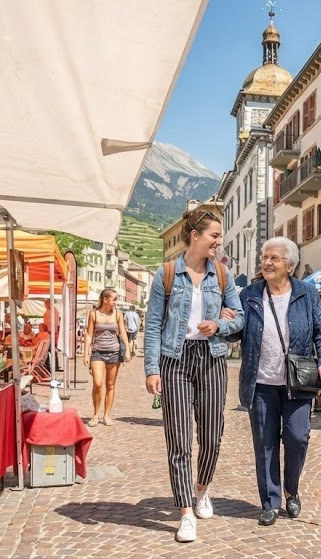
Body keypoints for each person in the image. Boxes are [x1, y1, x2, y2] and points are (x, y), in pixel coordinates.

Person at [143, 209, 244, 544]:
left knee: (212, 437)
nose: (219, 241)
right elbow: (153, 325)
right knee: (179, 440)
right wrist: (151, 368)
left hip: (212, 357)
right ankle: (185, 511)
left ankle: (202, 489)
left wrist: (220, 324)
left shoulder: (223, 274)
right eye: (214, 235)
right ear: (195, 236)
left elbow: (239, 317)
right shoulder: (167, 273)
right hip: (176, 359)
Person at [229, 237, 321, 527]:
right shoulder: (249, 294)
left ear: (290, 264)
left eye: (273, 258)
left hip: (297, 382)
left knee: (297, 438)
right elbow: (235, 332)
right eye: (264, 257)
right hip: (260, 382)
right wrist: (225, 323)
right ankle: (271, 502)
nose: (266, 262)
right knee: (264, 443)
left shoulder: (306, 294)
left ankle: (292, 490)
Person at [84, 288, 132, 427]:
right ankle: (96, 414)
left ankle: (106, 415)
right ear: (105, 299)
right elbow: (89, 334)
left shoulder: (118, 314)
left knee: (110, 385)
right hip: (98, 352)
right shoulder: (94, 314)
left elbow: (123, 332)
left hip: (114, 352)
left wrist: (127, 350)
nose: (116, 302)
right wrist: (86, 353)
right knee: (97, 384)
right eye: (114, 299)